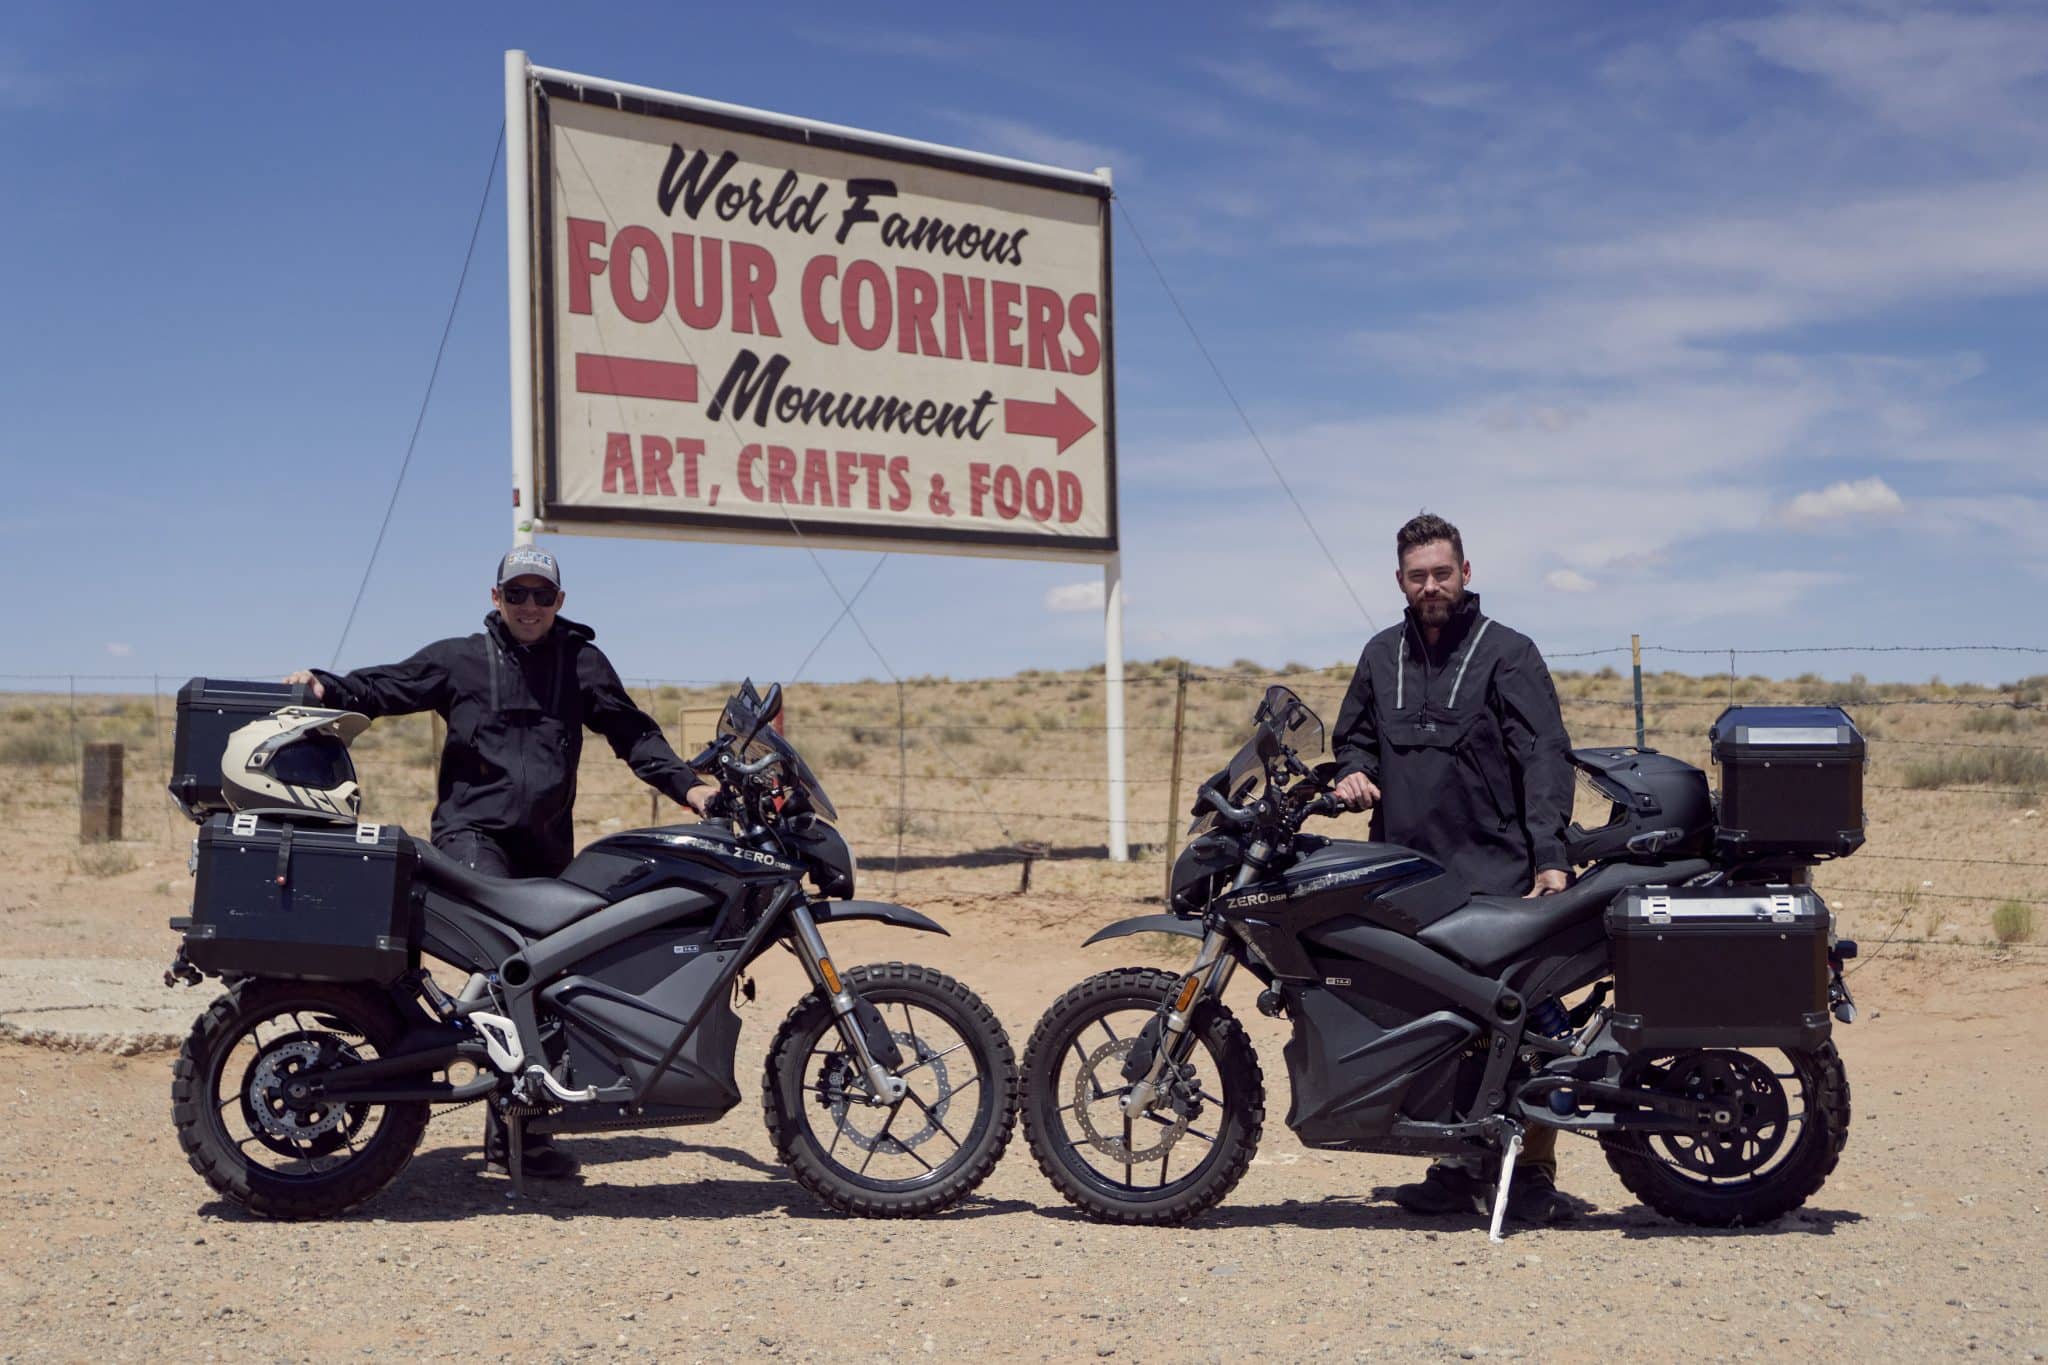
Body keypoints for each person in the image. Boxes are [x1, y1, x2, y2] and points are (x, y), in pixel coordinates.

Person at [287, 545, 714, 1180]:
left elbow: (632, 733)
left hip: (546, 845)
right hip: (471, 834)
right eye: (518, 594)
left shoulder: (581, 663)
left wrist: (690, 787)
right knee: (504, 964)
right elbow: (387, 686)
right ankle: (442, 1054)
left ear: (560, 603)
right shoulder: (460, 658)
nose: (531, 606)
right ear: (497, 598)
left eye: (543, 595)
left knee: (547, 976)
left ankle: (521, 1130)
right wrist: (326, 685)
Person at [1328, 513, 1576, 1223]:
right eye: (1417, 575)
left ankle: (1531, 1173)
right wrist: (1353, 774)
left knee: (1518, 1027)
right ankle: (1452, 1163)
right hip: (1405, 876)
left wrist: (1551, 858)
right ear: (1400, 581)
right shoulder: (1381, 654)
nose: (1431, 585)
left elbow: (1544, 756)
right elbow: (1357, 740)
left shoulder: (1509, 653)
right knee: (1431, 1022)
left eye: (1442, 572)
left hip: (1496, 875)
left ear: (1466, 573)